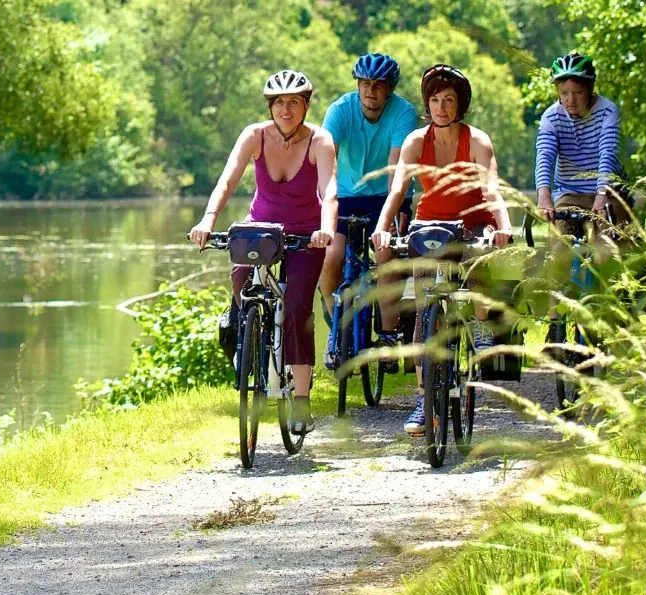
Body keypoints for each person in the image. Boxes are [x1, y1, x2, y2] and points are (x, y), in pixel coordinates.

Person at [189, 69, 338, 435]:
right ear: (270, 106)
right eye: (279, 103)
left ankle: (300, 399)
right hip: (261, 226)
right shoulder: (254, 135)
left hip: (305, 234)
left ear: (305, 105)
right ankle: (242, 329)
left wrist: (326, 229)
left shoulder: (319, 140)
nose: (286, 110)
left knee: (298, 308)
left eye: (294, 103)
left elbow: (330, 189)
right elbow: (229, 178)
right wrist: (208, 220)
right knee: (241, 279)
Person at [369, 64, 513, 436]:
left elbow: (492, 189)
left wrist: (503, 225)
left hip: (473, 223)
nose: (441, 107)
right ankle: (423, 398)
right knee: (422, 312)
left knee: (479, 266)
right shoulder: (417, 141)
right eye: (435, 100)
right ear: (427, 105)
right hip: (428, 226)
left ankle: (481, 325)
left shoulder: (477, 140)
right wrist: (382, 229)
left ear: (460, 105)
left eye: (448, 100)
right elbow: (397, 192)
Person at [317, 53, 419, 368]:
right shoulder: (340, 110)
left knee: (387, 256)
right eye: (365, 84)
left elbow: (395, 169)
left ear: (389, 90)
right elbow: (326, 162)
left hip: (384, 196)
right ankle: (338, 328)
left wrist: (397, 207)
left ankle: (389, 335)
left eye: (378, 86)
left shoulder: (403, 113)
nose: (370, 91)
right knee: (331, 256)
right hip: (343, 195)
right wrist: (325, 205)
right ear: (358, 86)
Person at [533, 53, 627, 227]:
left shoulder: (607, 111)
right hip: (570, 193)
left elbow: (607, 154)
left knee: (604, 250)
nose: (571, 100)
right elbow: (544, 157)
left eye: (578, 92)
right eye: (564, 93)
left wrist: (601, 194)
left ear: (590, 89)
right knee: (560, 248)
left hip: (608, 192)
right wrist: (544, 197)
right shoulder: (551, 117)